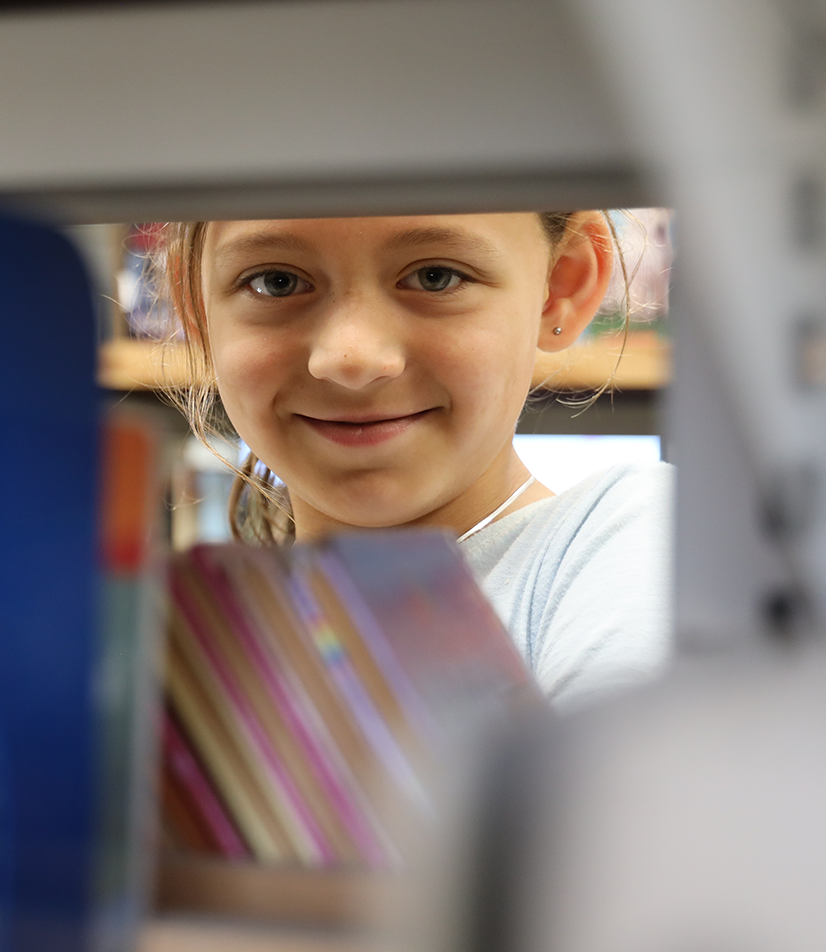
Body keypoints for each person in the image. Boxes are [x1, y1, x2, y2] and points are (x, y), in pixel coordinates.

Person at [156, 213, 671, 708]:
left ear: (562, 286)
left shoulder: (632, 538)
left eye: (434, 277)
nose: (351, 359)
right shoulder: (177, 640)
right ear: (195, 306)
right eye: (276, 282)